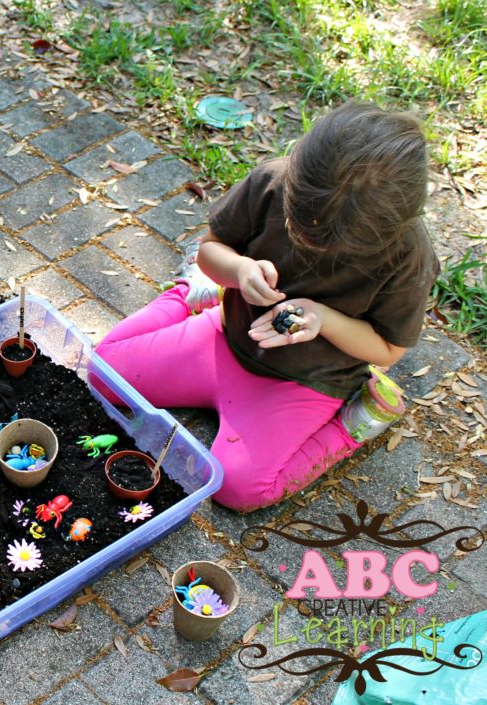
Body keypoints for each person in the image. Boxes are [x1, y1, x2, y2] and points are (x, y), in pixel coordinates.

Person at [95, 102, 439, 512]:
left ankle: (352, 426)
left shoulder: (409, 258)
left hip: (305, 382)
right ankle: (189, 294)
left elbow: (388, 350)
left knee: (236, 489)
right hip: (223, 336)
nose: (304, 243)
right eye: (297, 227)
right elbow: (211, 250)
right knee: (101, 375)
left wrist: (323, 318)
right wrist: (238, 270)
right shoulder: (272, 181)